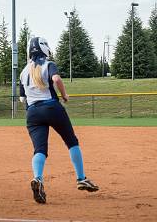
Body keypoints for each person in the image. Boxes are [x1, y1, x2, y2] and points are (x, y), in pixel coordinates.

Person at [19, 36, 99, 204]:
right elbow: (56, 79)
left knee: (39, 149)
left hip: (32, 113)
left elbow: (22, 98)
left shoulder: (23, 72)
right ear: (44, 48)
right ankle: (81, 178)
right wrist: (64, 95)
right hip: (51, 108)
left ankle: (38, 179)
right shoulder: (48, 64)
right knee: (71, 141)